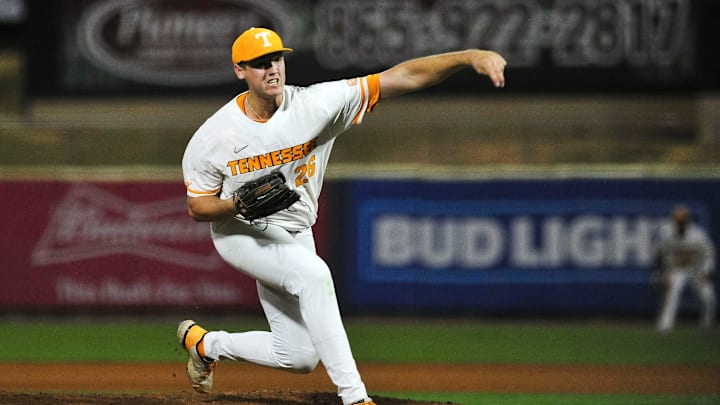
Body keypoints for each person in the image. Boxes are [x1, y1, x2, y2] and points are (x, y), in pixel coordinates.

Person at [178, 26, 507, 405]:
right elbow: (197, 206)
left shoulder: (317, 105)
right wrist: (237, 205)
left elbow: (402, 76)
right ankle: (355, 397)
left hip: (295, 232)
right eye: (259, 64)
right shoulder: (214, 136)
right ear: (240, 70)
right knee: (315, 274)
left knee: (299, 355)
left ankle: (205, 344)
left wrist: (468, 57)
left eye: (277, 60)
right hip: (241, 232)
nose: (272, 69)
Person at [653, 205, 716, 333]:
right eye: (677, 220)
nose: (679, 223)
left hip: (696, 269)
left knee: (709, 298)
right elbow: (659, 254)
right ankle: (664, 327)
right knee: (672, 294)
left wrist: (707, 270)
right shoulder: (668, 234)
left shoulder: (698, 235)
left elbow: (709, 253)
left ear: (687, 220)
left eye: (682, 220)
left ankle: (707, 325)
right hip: (677, 269)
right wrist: (662, 274)